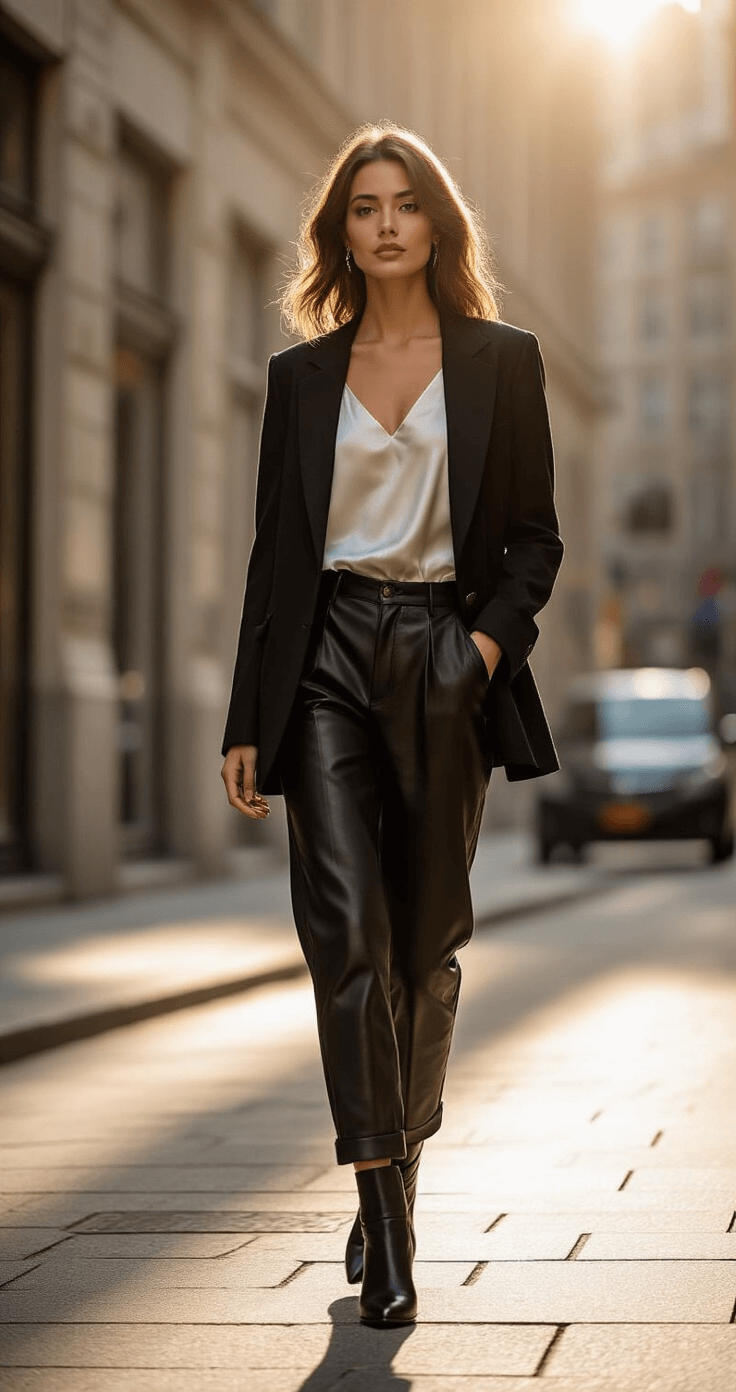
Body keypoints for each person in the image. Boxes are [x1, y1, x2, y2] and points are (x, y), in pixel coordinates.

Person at [221, 123, 563, 1328]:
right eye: (363, 207)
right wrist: (248, 714)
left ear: (435, 223)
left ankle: (397, 1170)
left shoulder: (502, 361)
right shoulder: (300, 379)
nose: (384, 224)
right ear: (341, 231)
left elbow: (534, 540)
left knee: (425, 949)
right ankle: (384, 1219)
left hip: (440, 656)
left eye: (404, 203)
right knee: (348, 939)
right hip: (323, 662)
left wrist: (481, 652)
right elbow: (274, 556)